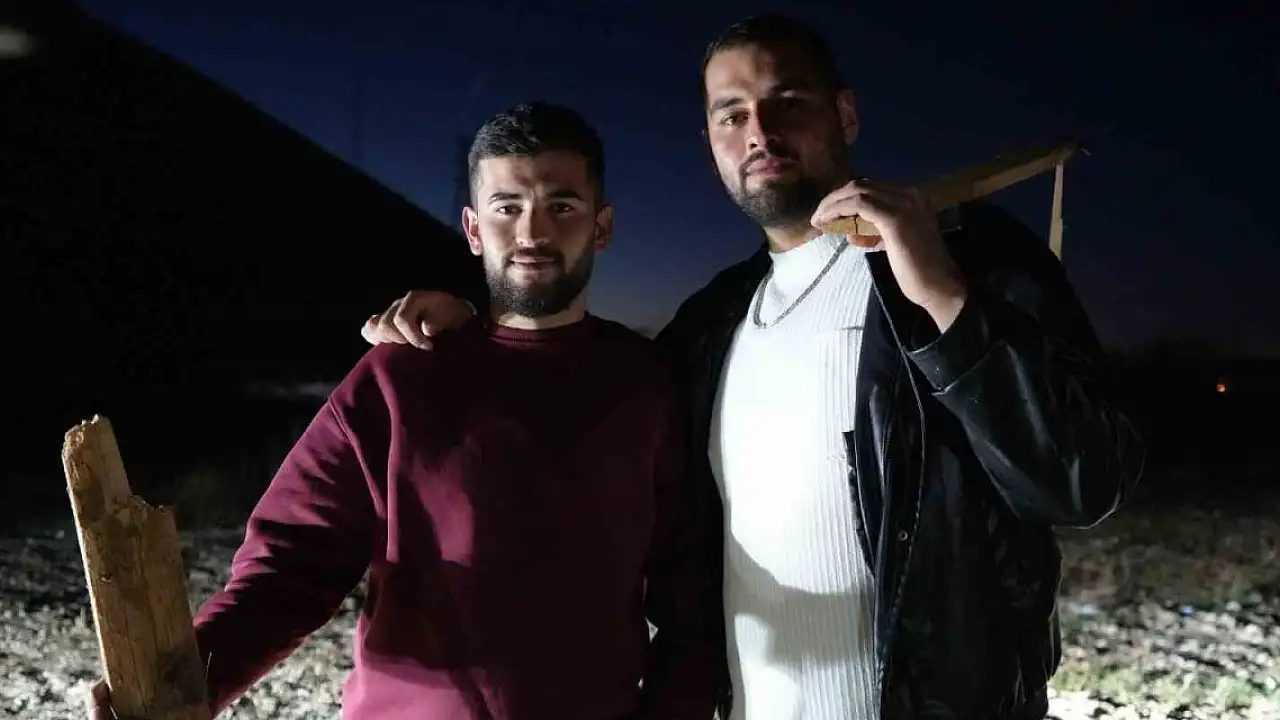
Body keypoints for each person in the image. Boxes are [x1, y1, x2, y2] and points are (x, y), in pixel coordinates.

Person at [360, 14, 1145, 720]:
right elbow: (582, 405)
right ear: (711, 143)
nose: (759, 131)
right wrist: (477, 334)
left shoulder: (975, 258)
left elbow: (1083, 481)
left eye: (787, 101)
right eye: (731, 114)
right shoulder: (711, 323)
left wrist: (942, 293)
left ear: (845, 114)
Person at [87, 102, 720, 720]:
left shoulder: (645, 385)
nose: (532, 233)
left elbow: (691, 595)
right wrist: (174, 690)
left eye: (562, 206)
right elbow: (289, 564)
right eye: (507, 207)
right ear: (473, 229)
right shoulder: (399, 375)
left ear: (601, 227)